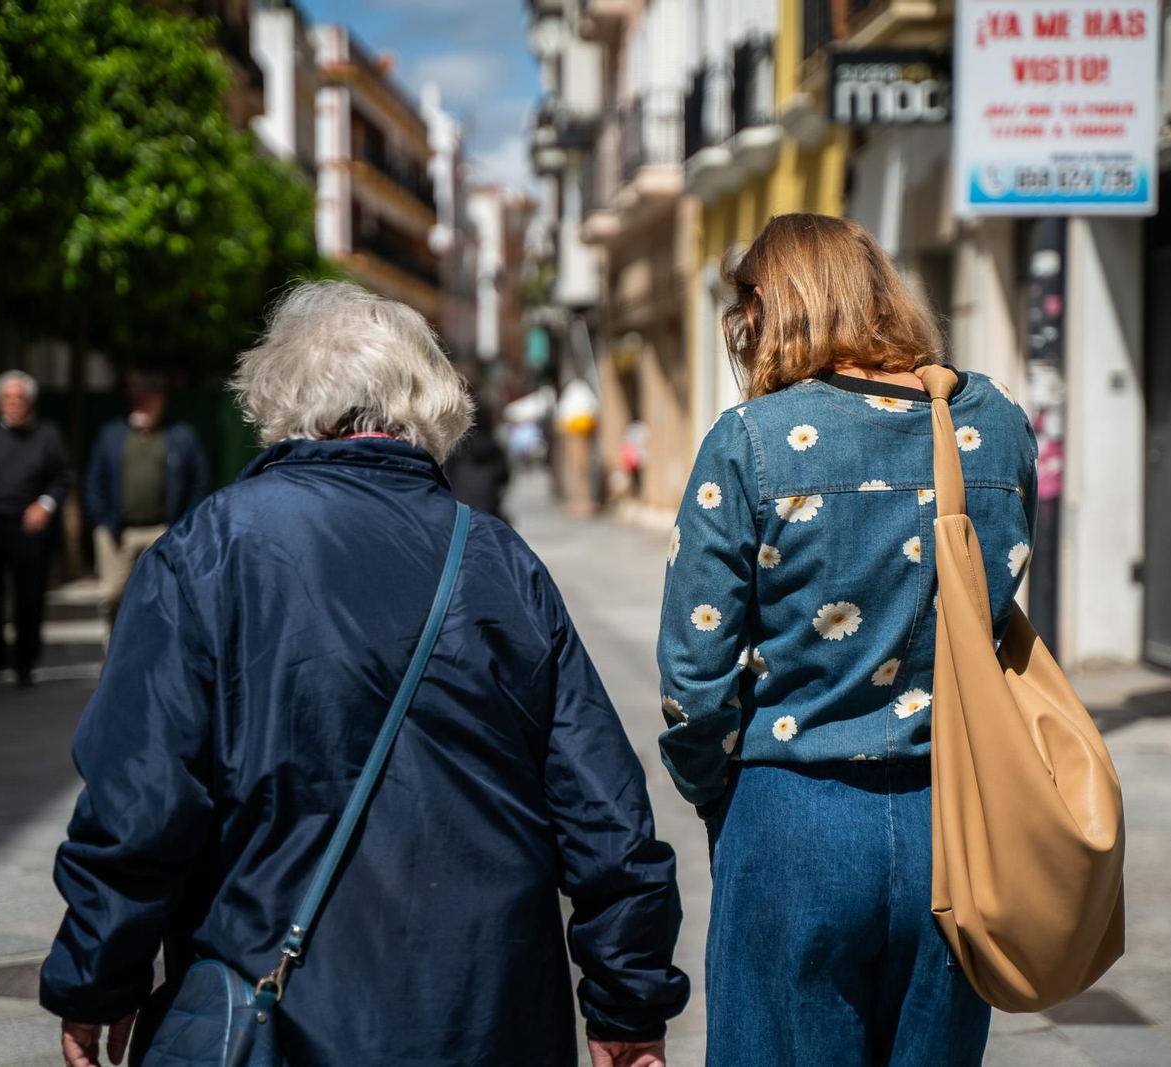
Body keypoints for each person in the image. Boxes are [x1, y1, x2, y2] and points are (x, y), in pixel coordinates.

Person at [40, 281, 689, 1067]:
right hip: (487, 1012)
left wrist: (96, 977)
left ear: (284, 398)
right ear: (428, 401)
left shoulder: (208, 550)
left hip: (281, 1011)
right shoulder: (494, 558)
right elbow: (606, 812)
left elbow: (140, 797)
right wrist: (628, 999)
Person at [656, 214, 1037, 1066]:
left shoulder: (749, 443)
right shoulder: (997, 424)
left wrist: (716, 791)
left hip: (794, 817)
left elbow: (694, 677)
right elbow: (999, 597)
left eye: (740, 314)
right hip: (957, 816)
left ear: (769, 305)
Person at [0, 370, 72, 687]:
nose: (13, 405)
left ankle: (24, 663)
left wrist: (45, 505)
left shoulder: (47, 435)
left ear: (30, 404)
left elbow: (63, 477)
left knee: (29, 597)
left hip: (28, 526)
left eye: (19, 400)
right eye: (7, 400)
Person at [83, 375, 209, 633]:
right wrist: (102, 521)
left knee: (162, 594)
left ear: (161, 401)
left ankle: (152, 656)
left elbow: (198, 482)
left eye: (150, 400)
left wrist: (182, 526)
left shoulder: (180, 435)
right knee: (111, 595)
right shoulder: (112, 434)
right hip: (117, 531)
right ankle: (115, 653)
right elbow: (94, 479)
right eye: (139, 400)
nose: (144, 405)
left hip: (163, 529)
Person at [442, 399, 511, 522]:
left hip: (460, 507)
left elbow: (447, 474)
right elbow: (505, 477)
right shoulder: (494, 447)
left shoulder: (459, 447)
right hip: (488, 507)